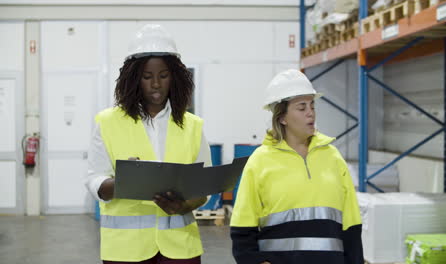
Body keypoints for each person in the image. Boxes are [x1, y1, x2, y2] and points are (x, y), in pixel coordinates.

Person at [85, 24, 211, 264]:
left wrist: (184, 205)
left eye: (163, 76)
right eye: (147, 77)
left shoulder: (193, 126)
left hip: (180, 248)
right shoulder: (108, 122)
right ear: (134, 78)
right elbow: (94, 180)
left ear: (174, 78)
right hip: (126, 250)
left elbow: (202, 188)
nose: (156, 84)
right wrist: (122, 181)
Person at [230, 69, 364, 264]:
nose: (310, 113)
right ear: (282, 117)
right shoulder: (260, 161)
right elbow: (242, 227)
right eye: (301, 108)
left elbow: (351, 225)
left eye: (312, 105)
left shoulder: (333, 157)